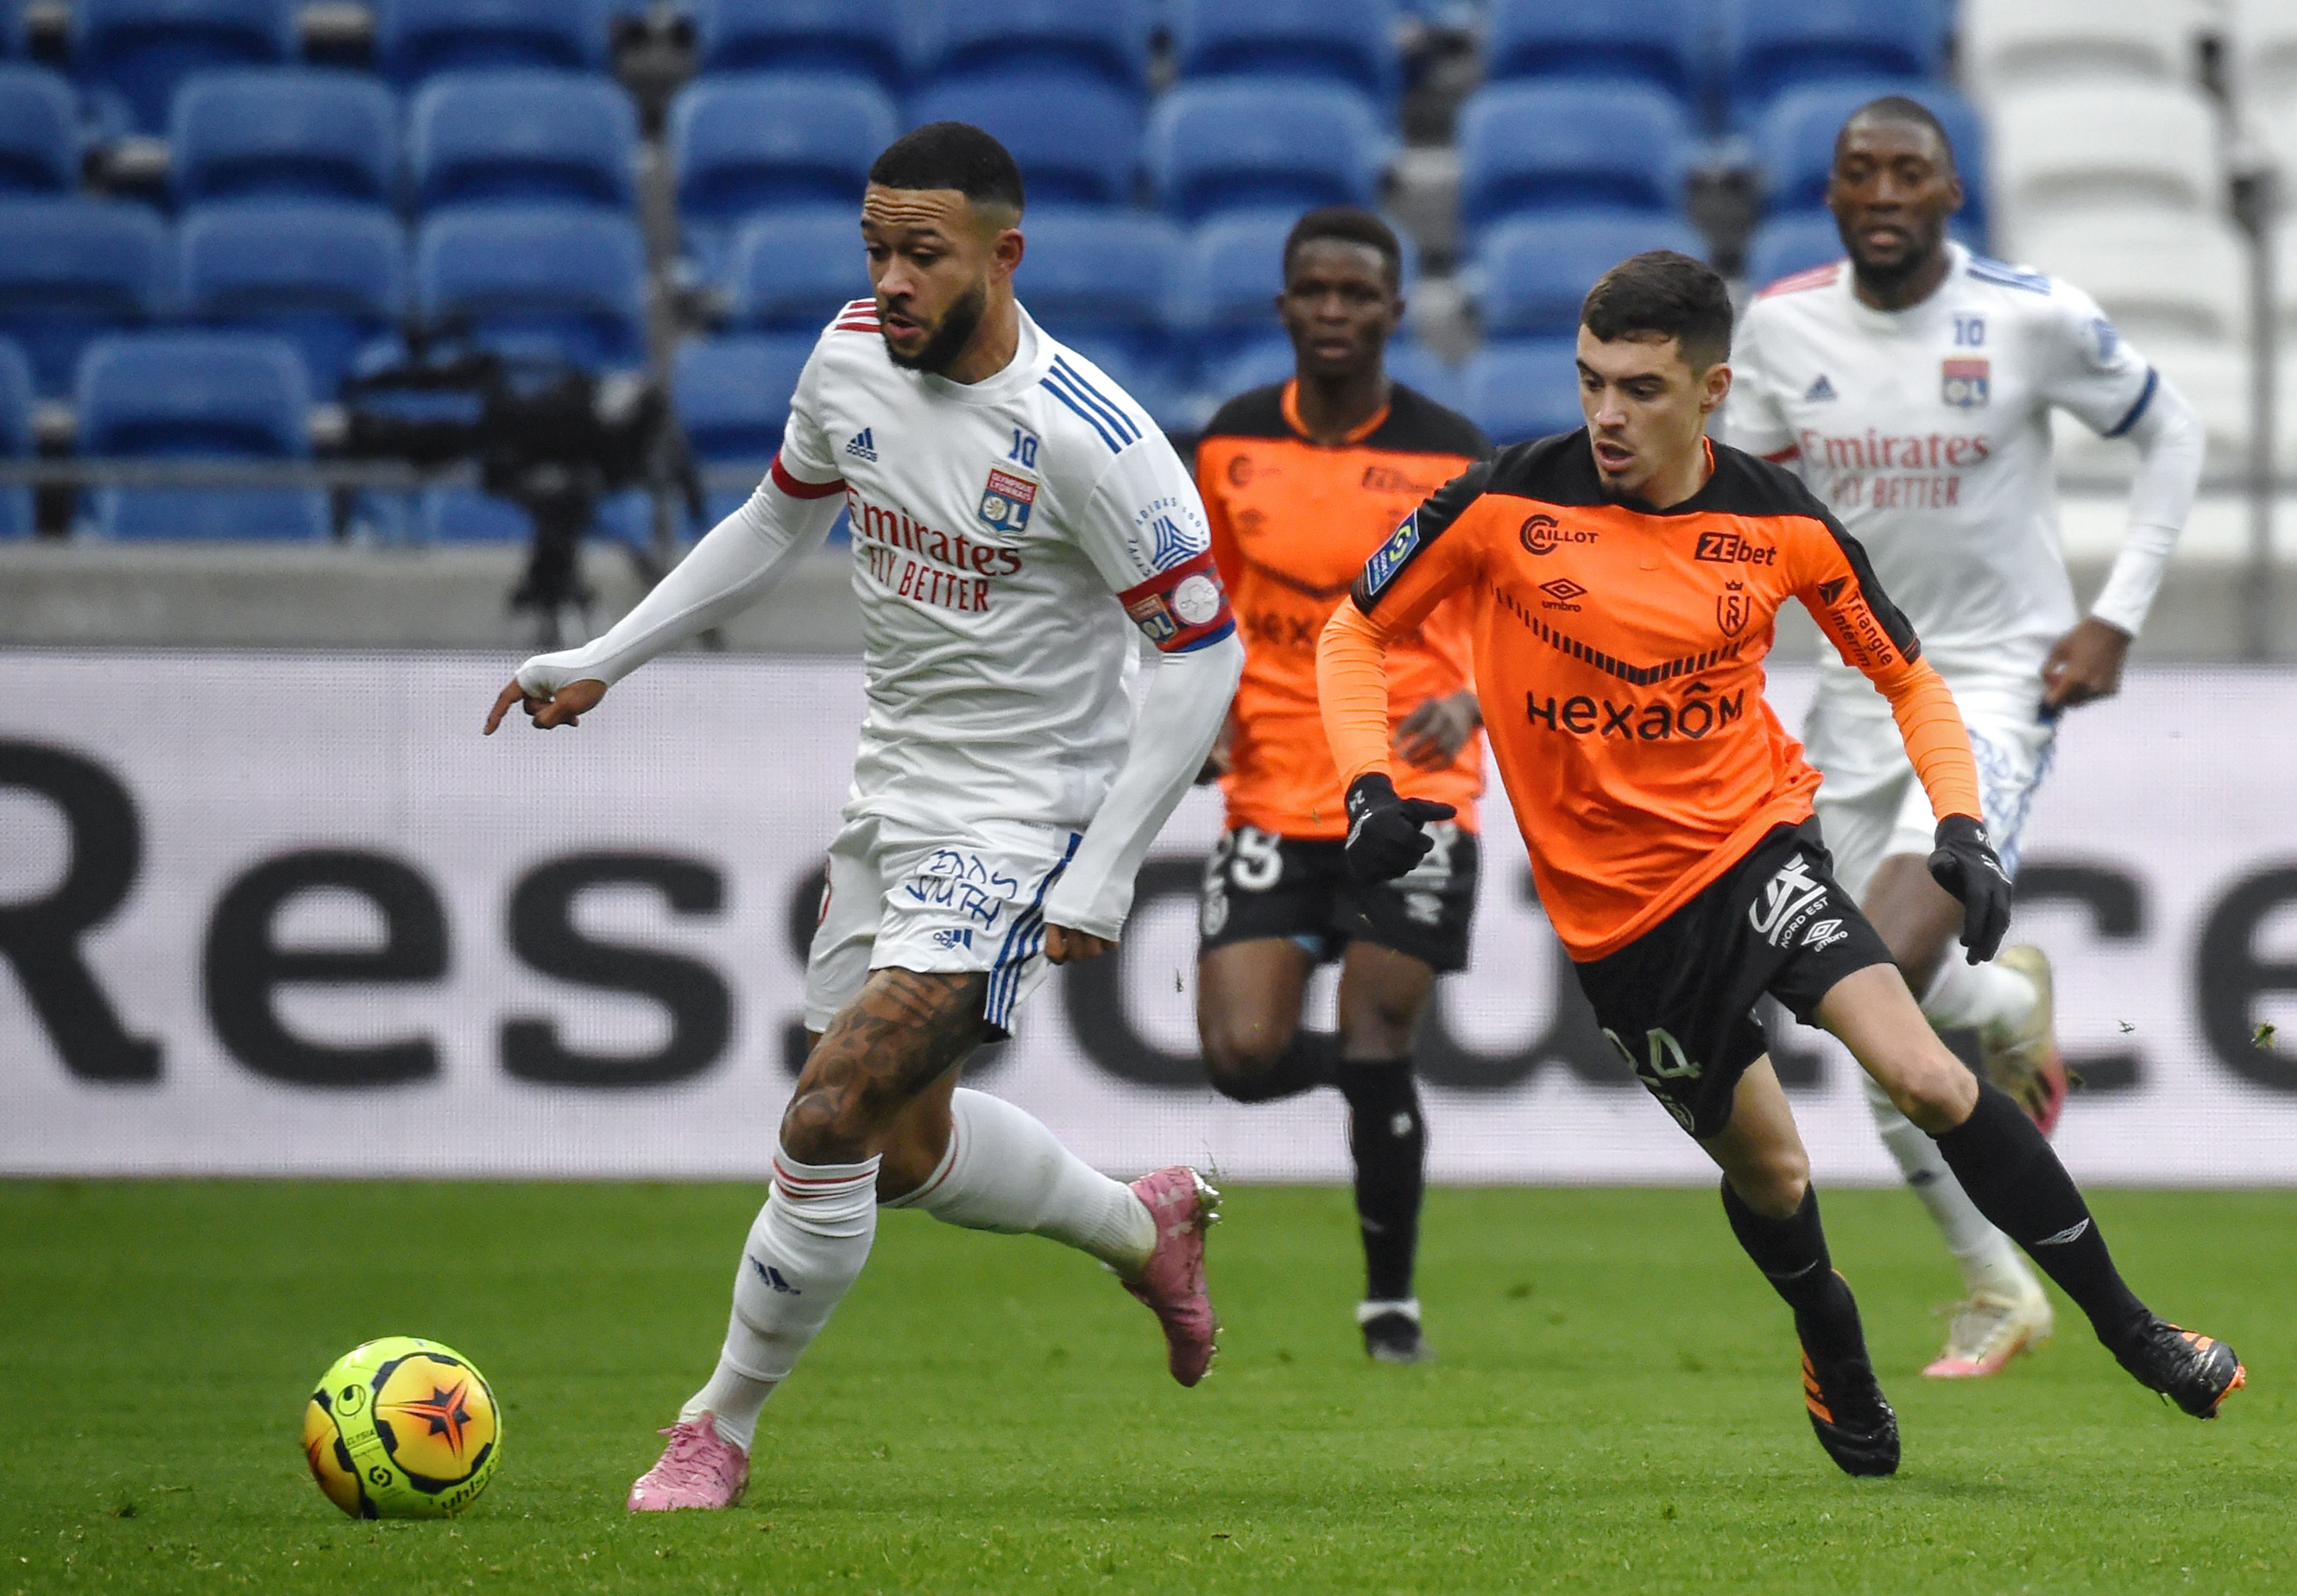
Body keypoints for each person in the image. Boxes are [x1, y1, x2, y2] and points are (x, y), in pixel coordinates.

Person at [1315, 250, 2243, 1477]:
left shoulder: (1780, 524)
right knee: (1771, 1168)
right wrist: (1366, 783)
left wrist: (1957, 823)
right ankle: (1827, 1328)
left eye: (1640, 389)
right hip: (1618, 924)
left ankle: (2132, 1330)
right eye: (1591, 381)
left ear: (1711, 391)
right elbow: (1353, 629)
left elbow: (1905, 674)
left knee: (1923, 1074)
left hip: (1755, 848)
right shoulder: (1499, 504)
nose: (1605, 414)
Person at [484, 123, 1246, 1511]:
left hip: (1026, 823)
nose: (887, 280)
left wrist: (1107, 871)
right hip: (890, 799)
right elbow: (775, 522)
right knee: (893, 1146)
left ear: (1003, 258)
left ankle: (714, 1427)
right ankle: (1141, 1228)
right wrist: (607, 654)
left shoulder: (1093, 437)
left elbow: (1203, 653)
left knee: (828, 1112)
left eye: (921, 254)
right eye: (874, 249)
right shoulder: (846, 359)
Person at [1722, 97, 2206, 1379]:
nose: (1880, 191)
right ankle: (1999, 1069)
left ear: (1950, 192)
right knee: (1862, 1012)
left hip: (1990, 680)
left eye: (1907, 173)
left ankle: (2003, 1233)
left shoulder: (2031, 314)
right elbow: (1727, 504)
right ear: (1828, 195)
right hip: (1845, 692)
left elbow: (2172, 435)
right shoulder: (1780, 327)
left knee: (1870, 967)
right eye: (1856, 172)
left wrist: (2114, 616)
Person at [1192, 208, 1491, 1363]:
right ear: (1282, 305)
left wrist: (1468, 699)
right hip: (1269, 783)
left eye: (1355, 294)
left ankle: (1388, 1306)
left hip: (1411, 786)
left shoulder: (1454, 453)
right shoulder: (1226, 444)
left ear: (1393, 313)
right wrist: (1202, 709)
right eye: (1311, 291)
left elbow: (1512, 614)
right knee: (1243, 1056)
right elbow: (1196, 609)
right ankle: (1380, 1095)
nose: (1331, 311)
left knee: (1374, 1020)